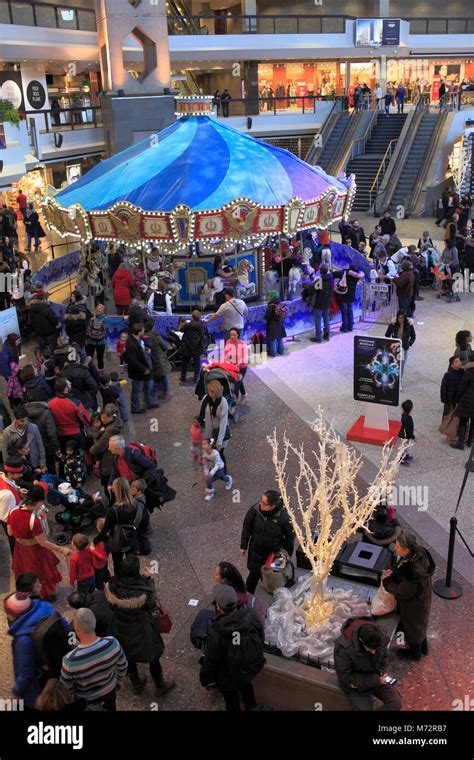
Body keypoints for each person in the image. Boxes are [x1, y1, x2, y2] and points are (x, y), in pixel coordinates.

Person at [105, 555, 175, 697]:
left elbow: (110, 606)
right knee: (153, 656)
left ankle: (136, 683)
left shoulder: (111, 585)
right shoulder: (142, 591)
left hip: (119, 627)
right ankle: (160, 685)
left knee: (128, 656)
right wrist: (148, 580)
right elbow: (151, 604)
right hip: (141, 630)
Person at [199, 584, 265, 712]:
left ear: (218, 606)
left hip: (227, 676)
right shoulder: (250, 614)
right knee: (247, 688)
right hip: (247, 669)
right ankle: (251, 706)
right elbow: (260, 636)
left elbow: (211, 661)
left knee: (231, 701)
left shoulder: (216, 631)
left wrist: (205, 680)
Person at [5, 591, 69, 709]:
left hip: (37, 686)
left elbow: (25, 673)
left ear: (13, 615)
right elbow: (66, 626)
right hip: (57, 670)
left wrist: (16, 692)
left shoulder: (23, 639)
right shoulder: (47, 608)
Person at [7, 484, 71, 601]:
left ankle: (28, 593)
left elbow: (10, 532)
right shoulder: (34, 520)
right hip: (34, 551)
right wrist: (62, 549)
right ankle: (43, 595)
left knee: (25, 571)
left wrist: (21, 538)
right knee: (41, 572)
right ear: (38, 502)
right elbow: (43, 543)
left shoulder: (13, 511)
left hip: (20, 549)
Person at [60, 607, 128, 711]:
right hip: (109, 692)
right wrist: (118, 681)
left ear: (76, 629)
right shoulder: (112, 643)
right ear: (95, 623)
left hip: (86, 702)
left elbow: (67, 689)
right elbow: (123, 666)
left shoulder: (69, 661)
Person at [382, 532, 435, 660]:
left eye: (398, 546)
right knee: (420, 625)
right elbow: (402, 565)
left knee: (413, 627)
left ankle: (414, 654)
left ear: (406, 549)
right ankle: (423, 647)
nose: (395, 547)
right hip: (423, 598)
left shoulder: (413, 574)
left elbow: (403, 592)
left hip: (414, 606)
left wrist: (387, 582)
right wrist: (394, 571)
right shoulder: (420, 553)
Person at [334, 618, 402, 711]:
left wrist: (381, 672)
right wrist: (376, 680)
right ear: (361, 640)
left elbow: (384, 658)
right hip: (356, 687)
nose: (374, 652)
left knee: (396, 703)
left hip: (376, 677)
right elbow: (346, 678)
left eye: (376, 649)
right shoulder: (343, 648)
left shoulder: (380, 635)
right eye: (370, 649)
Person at [240, 490, 295, 594]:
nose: (261, 504)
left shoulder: (283, 517)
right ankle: (248, 598)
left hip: (272, 556)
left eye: (264, 503)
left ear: (273, 506)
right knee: (252, 577)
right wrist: (243, 546)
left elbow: (290, 537)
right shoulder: (255, 510)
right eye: (261, 500)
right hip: (255, 553)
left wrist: (286, 556)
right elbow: (247, 527)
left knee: (271, 580)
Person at [94, 476, 144, 573]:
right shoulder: (137, 504)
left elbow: (105, 530)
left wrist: (95, 541)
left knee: (117, 563)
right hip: (132, 538)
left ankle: (119, 581)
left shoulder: (113, 510)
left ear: (116, 491)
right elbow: (139, 521)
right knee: (132, 563)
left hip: (117, 541)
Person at [48, 378, 91, 453]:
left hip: (60, 435)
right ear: (66, 389)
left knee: (65, 455)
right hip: (76, 433)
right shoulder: (75, 402)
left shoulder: (50, 403)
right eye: (69, 384)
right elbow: (86, 420)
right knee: (80, 454)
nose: (71, 383)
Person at [89, 404, 124, 494]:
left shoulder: (108, 431)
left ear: (110, 416)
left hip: (107, 459)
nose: (102, 421)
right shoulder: (116, 422)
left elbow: (98, 447)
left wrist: (91, 449)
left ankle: (112, 498)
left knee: (107, 481)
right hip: (116, 454)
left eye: (104, 419)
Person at [124, 323, 158, 414]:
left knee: (149, 386)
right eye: (142, 330)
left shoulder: (138, 339)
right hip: (138, 372)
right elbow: (132, 361)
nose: (144, 331)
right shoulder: (131, 344)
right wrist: (143, 369)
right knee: (137, 390)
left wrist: (146, 350)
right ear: (139, 332)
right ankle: (135, 408)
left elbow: (142, 348)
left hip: (146, 368)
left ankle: (149, 402)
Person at [2, 405, 46, 472]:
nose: (25, 423)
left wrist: (42, 462)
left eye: (26, 420)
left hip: (34, 462)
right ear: (15, 419)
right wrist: (8, 467)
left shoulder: (34, 428)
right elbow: (4, 451)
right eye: (22, 421)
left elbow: (40, 445)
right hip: (18, 465)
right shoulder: (8, 432)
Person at [200, 379, 230, 473]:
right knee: (211, 452)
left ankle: (223, 469)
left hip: (220, 433)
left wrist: (220, 440)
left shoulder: (223, 402)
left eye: (212, 391)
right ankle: (214, 468)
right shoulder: (205, 399)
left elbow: (223, 422)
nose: (210, 393)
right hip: (209, 433)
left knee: (220, 452)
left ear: (217, 391)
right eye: (209, 390)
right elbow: (201, 413)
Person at [0, 457, 25, 555]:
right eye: (19, 473)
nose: (21, 475)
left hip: (9, 505)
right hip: (10, 522)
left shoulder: (2, 474)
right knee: (14, 543)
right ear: (10, 474)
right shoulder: (7, 495)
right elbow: (7, 518)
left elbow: (12, 483)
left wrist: (18, 489)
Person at [62, 347, 99, 412]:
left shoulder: (63, 373)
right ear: (77, 360)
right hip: (86, 401)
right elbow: (94, 386)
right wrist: (91, 396)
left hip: (72, 402)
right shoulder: (84, 372)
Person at [143, 318, 172, 400]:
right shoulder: (156, 336)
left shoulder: (143, 336)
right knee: (164, 375)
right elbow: (165, 347)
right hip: (159, 359)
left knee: (153, 377)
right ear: (152, 327)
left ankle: (154, 394)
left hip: (148, 360)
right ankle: (166, 392)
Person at [451, 351, 474, 450]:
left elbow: (462, 387)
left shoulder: (469, 371)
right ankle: (470, 441)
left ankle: (460, 442)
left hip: (467, 401)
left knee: (463, 421)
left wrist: (456, 399)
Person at [333, 264, 364, 333]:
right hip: (351, 296)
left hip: (343, 295)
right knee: (350, 311)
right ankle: (350, 327)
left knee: (344, 312)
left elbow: (334, 274)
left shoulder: (345, 272)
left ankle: (345, 327)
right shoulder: (357, 276)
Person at [179, 310, 208, 384]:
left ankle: (183, 377)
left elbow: (181, 330)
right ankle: (196, 378)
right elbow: (203, 334)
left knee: (185, 362)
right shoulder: (202, 325)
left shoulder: (188, 325)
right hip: (197, 346)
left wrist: (182, 323)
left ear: (192, 317)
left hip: (187, 346)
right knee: (197, 362)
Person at [307, 264, 334, 342]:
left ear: (321, 271)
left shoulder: (320, 280)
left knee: (318, 320)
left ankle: (318, 337)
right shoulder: (331, 279)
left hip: (318, 303)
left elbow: (312, 290)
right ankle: (327, 335)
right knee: (326, 319)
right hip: (327, 303)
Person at [385, 309, 416, 377]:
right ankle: (393, 379)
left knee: (402, 365)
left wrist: (409, 343)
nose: (400, 319)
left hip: (404, 348)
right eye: (399, 317)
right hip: (394, 348)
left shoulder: (409, 325)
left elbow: (413, 336)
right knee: (393, 364)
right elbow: (387, 335)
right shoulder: (392, 324)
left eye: (402, 318)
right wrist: (390, 343)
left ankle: (400, 381)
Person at [202, 438, 233, 502]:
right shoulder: (204, 454)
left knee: (222, 478)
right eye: (202, 444)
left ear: (210, 445)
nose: (203, 446)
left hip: (219, 468)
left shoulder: (215, 453)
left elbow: (217, 464)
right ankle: (210, 493)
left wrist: (211, 473)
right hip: (212, 468)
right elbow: (205, 464)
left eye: (204, 444)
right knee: (208, 479)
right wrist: (206, 473)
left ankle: (229, 480)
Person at [223, 327, 248, 401]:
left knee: (236, 385)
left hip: (241, 367)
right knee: (239, 382)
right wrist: (225, 361)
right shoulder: (228, 342)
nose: (232, 337)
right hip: (232, 366)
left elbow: (244, 357)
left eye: (234, 335)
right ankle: (244, 395)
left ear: (238, 335)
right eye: (231, 335)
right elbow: (225, 353)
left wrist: (238, 363)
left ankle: (234, 402)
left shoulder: (242, 344)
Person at [85, 303, 107, 371]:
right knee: (100, 358)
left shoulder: (91, 320)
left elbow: (88, 331)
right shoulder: (105, 320)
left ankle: (89, 371)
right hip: (101, 342)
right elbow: (105, 331)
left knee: (89, 357)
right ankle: (101, 373)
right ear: (103, 311)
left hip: (91, 341)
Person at [264, 291, 287, 356]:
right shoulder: (280, 304)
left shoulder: (271, 305)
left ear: (272, 297)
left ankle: (273, 353)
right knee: (280, 338)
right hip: (280, 323)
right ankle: (281, 350)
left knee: (272, 339)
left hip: (272, 325)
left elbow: (267, 317)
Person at [398, 399, 415, 464]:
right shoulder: (408, 418)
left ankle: (405, 455)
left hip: (403, 434)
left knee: (405, 446)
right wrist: (413, 437)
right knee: (404, 447)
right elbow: (409, 429)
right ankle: (401, 459)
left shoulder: (404, 415)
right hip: (406, 436)